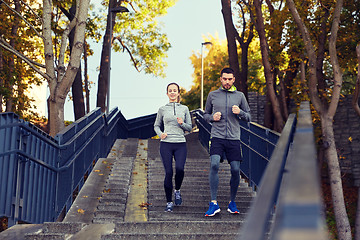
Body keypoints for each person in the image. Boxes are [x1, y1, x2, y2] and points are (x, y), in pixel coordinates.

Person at [203, 67, 251, 217]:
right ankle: (213, 203)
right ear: (221, 79)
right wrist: (212, 118)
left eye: (230, 79)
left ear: (234, 79)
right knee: (215, 164)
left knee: (236, 169)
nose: (227, 82)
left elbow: (249, 116)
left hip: (234, 138)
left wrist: (241, 113)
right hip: (217, 137)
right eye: (225, 79)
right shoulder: (212, 95)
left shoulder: (240, 96)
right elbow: (205, 114)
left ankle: (232, 202)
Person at [154, 82, 192, 212]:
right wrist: (160, 134)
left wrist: (182, 124)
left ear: (178, 93)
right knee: (169, 172)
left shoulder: (184, 109)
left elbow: (190, 128)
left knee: (180, 169)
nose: (172, 92)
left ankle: (177, 191)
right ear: (167, 93)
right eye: (170, 90)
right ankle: (169, 202)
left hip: (180, 143)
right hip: (166, 144)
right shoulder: (162, 109)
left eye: (174, 90)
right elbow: (156, 125)